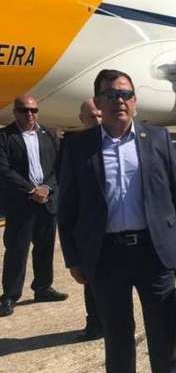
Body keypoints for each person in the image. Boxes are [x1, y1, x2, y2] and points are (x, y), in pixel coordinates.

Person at [58, 69, 176, 373]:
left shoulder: (157, 138)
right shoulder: (78, 146)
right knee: (116, 332)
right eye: (110, 95)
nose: (118, 100)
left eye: (125, 94)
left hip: (154, 252)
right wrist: (73, 258)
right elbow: (68, 206)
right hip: (106, 256)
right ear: (98, 103)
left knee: (164, 331)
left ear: (135, 102)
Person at [0, 95, 67, 317]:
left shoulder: (48, 134)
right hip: (22, 203)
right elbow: (4, 169)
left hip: (47, 202)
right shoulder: (5, 136)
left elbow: (57, 167)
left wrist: (47, 188)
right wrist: (31, 190)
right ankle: (10, 295)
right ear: (15, 112)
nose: (30, 114)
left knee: (45, 247)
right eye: (24, 110)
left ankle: (43, 287)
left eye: (33, 110)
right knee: (17, 250)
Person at [61, 99, 104, 341]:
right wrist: (72, 257)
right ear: (81, 120)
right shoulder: (73, 148)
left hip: (117, 235)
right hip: (89, 235)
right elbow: (67, 204)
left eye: (99, 116)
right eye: (91, 117)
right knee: (92, 285)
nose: (97, 121)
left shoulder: (117, 142)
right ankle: (95, 323)